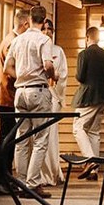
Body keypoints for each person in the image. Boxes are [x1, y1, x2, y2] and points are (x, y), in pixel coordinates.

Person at [3, 4, 56, 197]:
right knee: (41, 138)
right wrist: (53, 75)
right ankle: (33, 183)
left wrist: (20, 77)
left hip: (20, 92)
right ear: (44, 21)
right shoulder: (44, 40)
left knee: (22, 139)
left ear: (30, 19)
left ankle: (21, 182)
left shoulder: (18, 40)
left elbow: (7, 67)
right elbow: (48, 64)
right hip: (37, 90)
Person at [33, 18, 69, 188]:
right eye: (44, 29)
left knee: (50, 135)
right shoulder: (36, 48)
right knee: (36, 136)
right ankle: (37, 174)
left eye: (50, 30)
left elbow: (62, 73)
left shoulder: (57, 51)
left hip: (52, 95)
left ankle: (52, 173)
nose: (47, 32)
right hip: (36, 95)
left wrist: (55, 82)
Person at [0, 8, 29, 175]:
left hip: (9, 95)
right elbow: (9, 69)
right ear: (25, 24)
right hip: (7, 95)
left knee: (9, 138)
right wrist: (25, 81)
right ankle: (1, 177)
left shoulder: (12, 39)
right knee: (7, 138)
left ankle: (4, 176)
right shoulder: (12, 42)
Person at [72, 24, 104, 165]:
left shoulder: (83, 54)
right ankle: (94, 171)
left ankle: (91, 161)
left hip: (88, 96)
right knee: (94, 131)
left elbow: (81, 77)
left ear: (87, 37)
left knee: (78, 128)